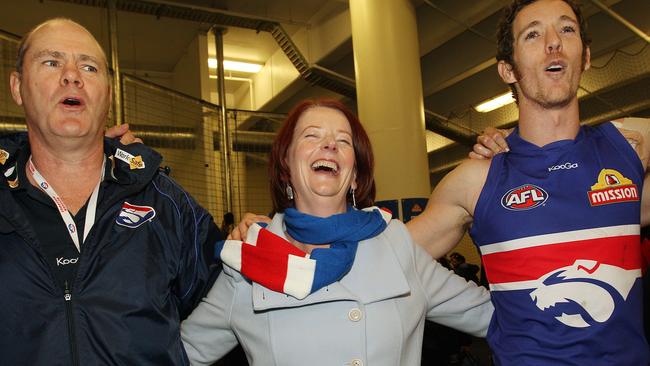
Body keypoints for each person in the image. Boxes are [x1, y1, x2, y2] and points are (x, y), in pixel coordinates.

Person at [406, 0, 650, 364]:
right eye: (533, 34)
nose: (553, 41)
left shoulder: (631, 145)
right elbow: (390, 260)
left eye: (566, 29)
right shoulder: (476, 178)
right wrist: (481, 310)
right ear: (507, 69)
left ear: (584, 57)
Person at [181, 99, 494, 366]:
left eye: (343, 141)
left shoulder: (396, 244)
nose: (329, 144)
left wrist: (520, 158)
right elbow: (181, 352)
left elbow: (493, 314)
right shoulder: (247, 260)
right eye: (312, 136)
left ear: (355, 176)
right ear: (286, 166)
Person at [1, 18, 220, 365]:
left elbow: (234, 315)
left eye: (89, 67)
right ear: (17, 87)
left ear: (108, 92)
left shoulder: (166, 203)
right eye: (52, 62)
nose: (72, 76)